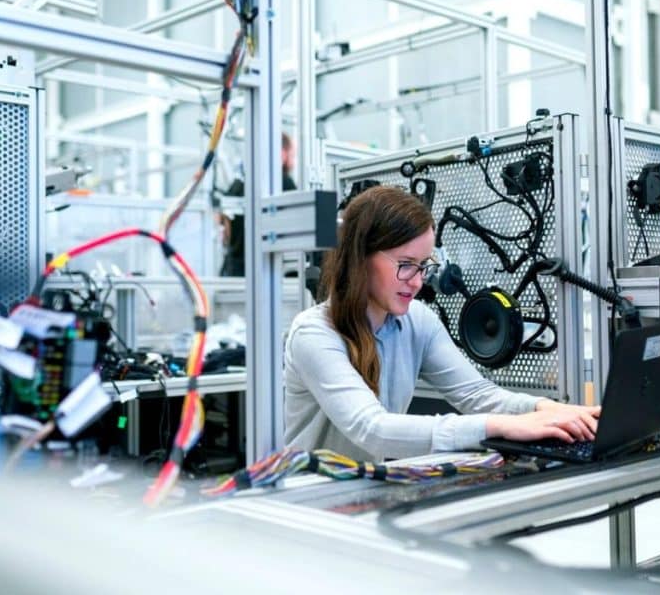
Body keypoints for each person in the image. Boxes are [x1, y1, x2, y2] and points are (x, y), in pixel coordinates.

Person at [283, 185, 600, 461]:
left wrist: (551, 410)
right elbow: (372, 429)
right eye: (406, 265)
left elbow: (477, 394)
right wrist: (500, 426)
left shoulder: (416, 321)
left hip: (365, 492)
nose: (418, 282)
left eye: (423, 266)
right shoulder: (314, 333)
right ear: (360, 257)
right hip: (310, 502)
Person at [218, 133, 297, 277]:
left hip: (234, 269)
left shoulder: (240, 182)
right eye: (292, 154)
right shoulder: (283, 181)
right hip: (264, 269)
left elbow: (222, 224)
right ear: (282, 152)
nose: (293, 160)